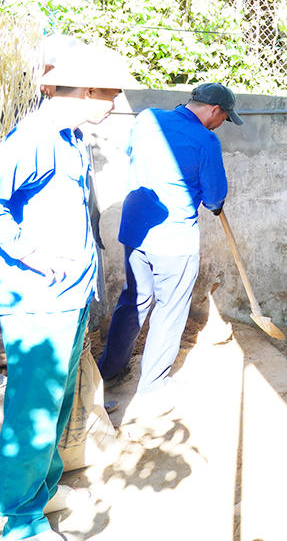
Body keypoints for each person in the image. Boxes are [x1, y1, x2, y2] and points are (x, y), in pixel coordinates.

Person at [0, 46, 137, 541]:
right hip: (40, 300)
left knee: (57, 406)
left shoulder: (72, 137)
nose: (116, 99)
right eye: (109, 90)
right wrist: (32, 254)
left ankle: (41, 489)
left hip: (70, 298)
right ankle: (18, 520)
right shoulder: (34, 138)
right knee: (34, 410)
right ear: (82, 89)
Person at [98, 83, 242, 399]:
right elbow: (214, 197)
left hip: (135, 231)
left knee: (134, 298)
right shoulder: (206, 140)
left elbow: (130, 151)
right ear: (215, 110)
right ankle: (153, 386)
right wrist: (213, 201)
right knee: (169, 309)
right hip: (174, 241)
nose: (222, 124)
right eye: (224, 118)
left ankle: (108, 370)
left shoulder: (147, 119)